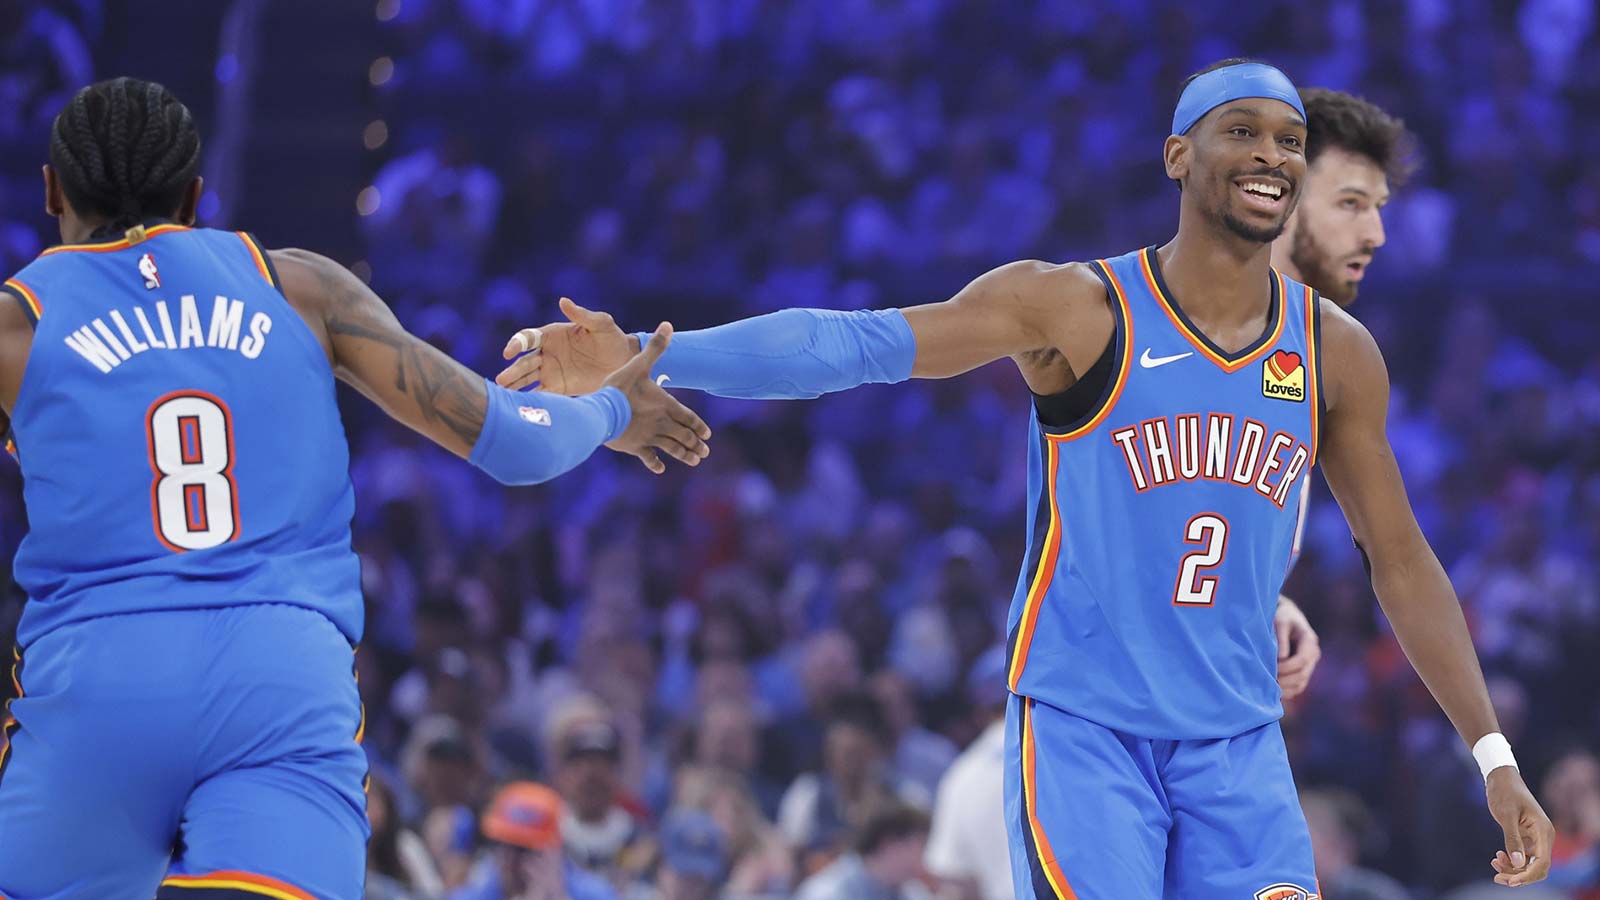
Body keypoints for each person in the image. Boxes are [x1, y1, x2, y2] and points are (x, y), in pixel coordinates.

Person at [499, 58, 1556, 895]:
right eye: (1243, 131)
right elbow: (855, 343)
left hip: (1237, 744)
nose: (1272, 154)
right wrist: (650, 348)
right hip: (1086, 731)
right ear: (1178, 157)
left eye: (1290, 140)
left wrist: (1494, 755)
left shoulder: (1334, 353)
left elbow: (1403, 561)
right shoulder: (1076, 307)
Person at [0, 77, 710, 900]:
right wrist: (612, 408)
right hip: (281, 681)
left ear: (51, 190)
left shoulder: (20, 323)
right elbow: (517, 446)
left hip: (98, 680)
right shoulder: (301, 286)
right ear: (196, 197)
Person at [450, 781, 617, 900]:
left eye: (523, 848)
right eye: (503, 844)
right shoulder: (477, 892)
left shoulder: (594, 893)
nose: (509, 859)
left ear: (555, 851)